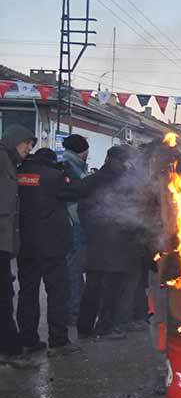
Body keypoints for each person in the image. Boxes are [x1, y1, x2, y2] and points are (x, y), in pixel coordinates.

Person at [16, 148, 82, 354]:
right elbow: (76, 191)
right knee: (57, 292)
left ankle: (28, 339)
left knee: (27, 292)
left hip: (25, 244)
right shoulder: (54, 176)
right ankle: (58, 339)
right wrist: (66, 172)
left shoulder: (19, 173)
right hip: (52, 245)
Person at [77, 145, 143, 340]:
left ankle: (85, 328)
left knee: (94, 287)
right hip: (114, 244)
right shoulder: (116, 184)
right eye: (124, 162)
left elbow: (81, 210)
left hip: (101, 243)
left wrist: (90, 230)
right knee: (109, 289)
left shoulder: (93, 180)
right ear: (112, 161)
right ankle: (103, 328)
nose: (127, 166)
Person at [0, 125, 36, 357]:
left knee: (5, 295)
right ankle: (10, 350)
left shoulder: (11, 163)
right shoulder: (2, 160)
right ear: (15, 141)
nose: (30, 148)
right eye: (27, 143)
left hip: (4, 243)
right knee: (3, 297)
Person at [61, 134, 90, 326]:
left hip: (72, 226)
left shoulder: (71, 166)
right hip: (75, 227)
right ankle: (74, 311)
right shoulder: (70, 169)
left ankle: (75, 308)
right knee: (74, 269)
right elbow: (71, 201)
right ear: (82, 151)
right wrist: (82, 222)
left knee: (74, 269)